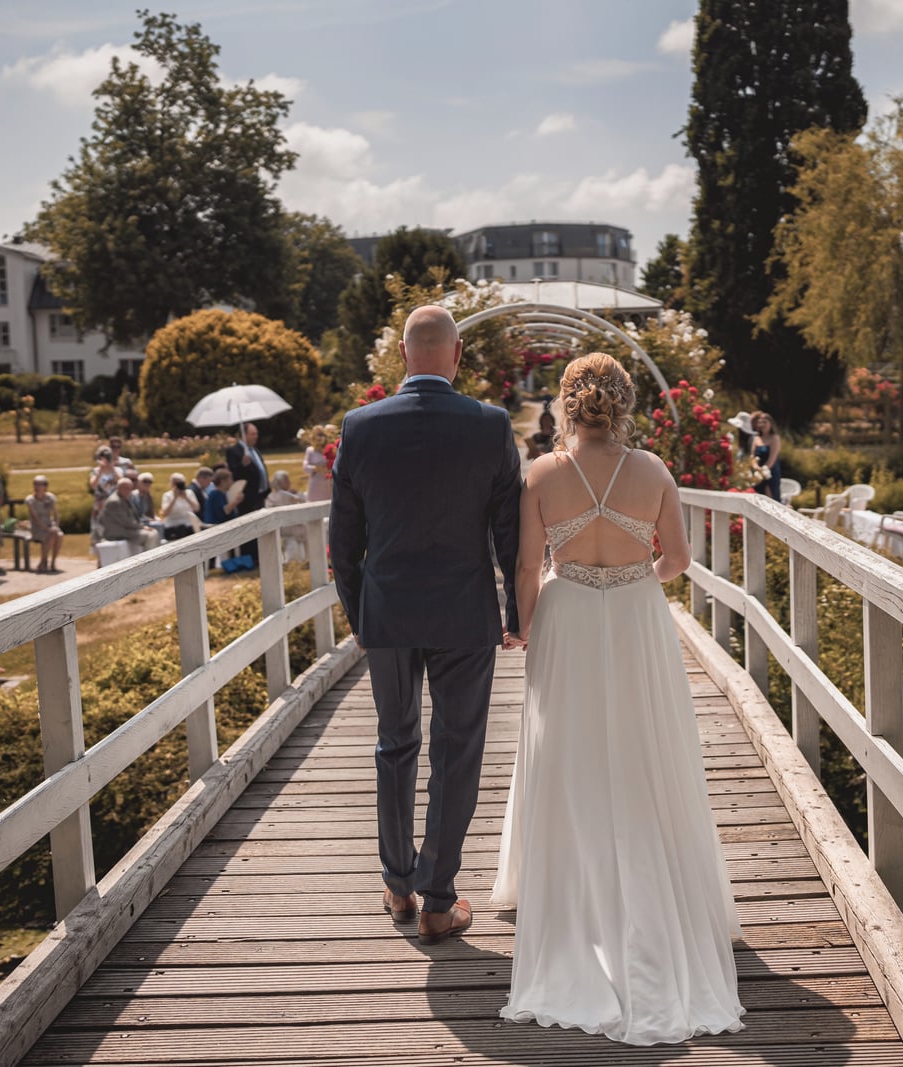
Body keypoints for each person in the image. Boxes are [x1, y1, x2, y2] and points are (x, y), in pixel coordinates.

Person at [490, 352, 743, 1044]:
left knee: (567, 754)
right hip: (636, 615)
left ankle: (575, 897)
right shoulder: (654, 472)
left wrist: (529, 627)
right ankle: (655, 894)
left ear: (568, 404)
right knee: (645, 750)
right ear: (626, 402)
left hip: (567, 615)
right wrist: (637, 577)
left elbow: (523, 568)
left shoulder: (541, 474)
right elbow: (680, 560)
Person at [329, 304, 522, 944]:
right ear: (458, 355)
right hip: (465, 613)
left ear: (404, 356)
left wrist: (359, 616)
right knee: (458, 750)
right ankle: (440, 900)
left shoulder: (359, 427)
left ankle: (397, 885)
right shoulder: (490, 426)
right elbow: (510, 535)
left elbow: (343, 540)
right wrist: (517, 615)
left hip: (387, 613)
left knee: (395, 744)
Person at [226, 422, 271, 561]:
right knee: (250, 528)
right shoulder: (234, 451)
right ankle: (250, 559)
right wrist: (242, 465)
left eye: (256, 434)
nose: (256, 437)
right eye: (252, 434)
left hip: (260, 495)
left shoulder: (254, 450)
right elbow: (234, 474)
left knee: (261, 526)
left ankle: (261, 556)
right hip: (246, 498)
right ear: (243, 435)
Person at [99, 477, 159, 552]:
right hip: (116, 532)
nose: (129, 491)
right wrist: (142, 527)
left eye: (130, 488)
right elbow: (125, 521)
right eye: (127, 488)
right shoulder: (114, 502)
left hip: (125, 529)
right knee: (150, 536)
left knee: (154, 532)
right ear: (119, 488)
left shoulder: (124, 498)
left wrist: (142, 526)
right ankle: (150, 560)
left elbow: (133, 517)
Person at [26, 475, 64, 572]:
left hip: (49, 525)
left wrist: (55, 526)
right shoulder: (30, 500)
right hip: (37, 527)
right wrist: (47, 529)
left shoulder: (50, 497)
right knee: (51, 535)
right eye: (35, 484)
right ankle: (44, 561)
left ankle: (52, 562)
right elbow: (36, 518)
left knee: (59, 535)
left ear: (45, 486)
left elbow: (56, 514)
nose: (37, 487)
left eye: (40, 484)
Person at [750, 410, 783, 501]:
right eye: (760, 422)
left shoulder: (774, 438)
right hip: (757, 473)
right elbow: (752, 456)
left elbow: (772, 458)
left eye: (765, 422)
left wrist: (763, 471)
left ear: (771, 424)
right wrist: (755, 467)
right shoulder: (756, 438)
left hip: (770, 472)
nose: (762, 424)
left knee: (771, 499)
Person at [89, 446, 119, 542]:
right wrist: (100, 471)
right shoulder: (95, 471)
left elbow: (121, 482)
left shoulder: (116, 470)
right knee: (98, 532)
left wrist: (112, 468)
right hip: (100, 505)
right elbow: (93, 485)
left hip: (113, 505)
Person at [159, 473, 201, 540]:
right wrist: (174, 499)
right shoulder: (167, 495)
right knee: (182, 531)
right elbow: (165, 513)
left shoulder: (189, 493)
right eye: (176, 483)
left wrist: (186, 498)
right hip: (173, 526)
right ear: (172, 484)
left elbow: (197, 509)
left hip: (189, 525)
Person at [303, 426, 337, 504]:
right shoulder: (310, 450)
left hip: (329, 484)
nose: (319, 437)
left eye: (321, 434)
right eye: (317, 434)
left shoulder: (330, 449)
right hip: (315, 484)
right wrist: (316, 468)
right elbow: (305, 467)